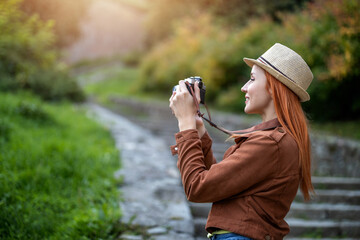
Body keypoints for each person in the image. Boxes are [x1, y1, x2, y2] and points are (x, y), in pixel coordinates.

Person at [169, 43, 315, 240]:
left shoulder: (271, 144)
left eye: (252, 79)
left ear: (273, 88)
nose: (243, 87)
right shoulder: (275, 140)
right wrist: (199, 132)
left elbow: (197, 187)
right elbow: (220, 186)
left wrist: (185, 124)